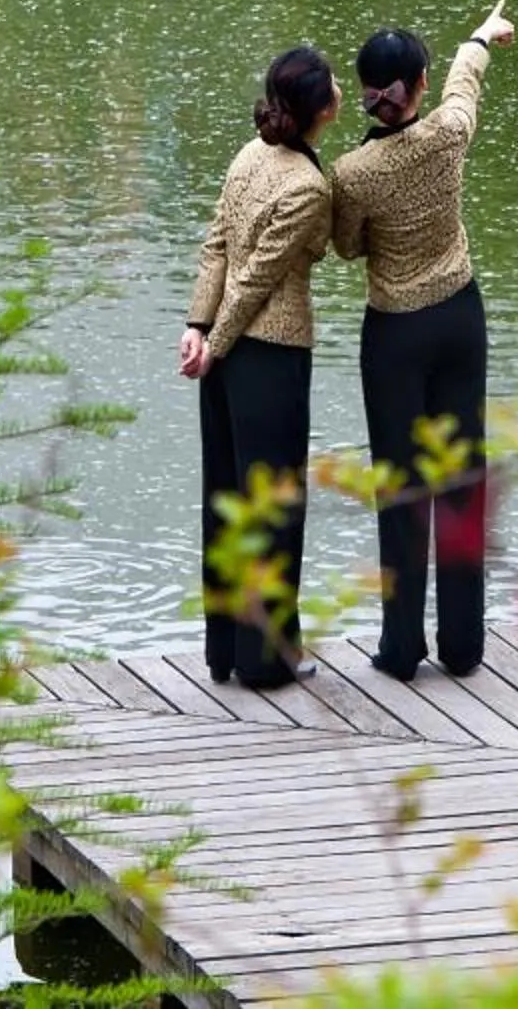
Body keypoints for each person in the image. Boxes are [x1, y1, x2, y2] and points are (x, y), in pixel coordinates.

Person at [331, 2, 515, 681]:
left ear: (366, 93)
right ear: (420, 86)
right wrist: (481, 37)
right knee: (463, 479)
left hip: (395, 334)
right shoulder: (449, 133)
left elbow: (347, 247)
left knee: (401, 485)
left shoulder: (351, 174)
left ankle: (401, 647)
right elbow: (467, 83)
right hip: (459, 319)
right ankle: (464, 645)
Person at [179, 43, 339, 688]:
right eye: (332, 85)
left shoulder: (250, 156)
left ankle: (227, 651)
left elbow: (215, 245)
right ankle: (268, 658)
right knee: (271, 508)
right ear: (318, 108)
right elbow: (254, 280)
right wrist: (212, 339)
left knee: (225, 500)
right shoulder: (307, 185)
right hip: (267, 357)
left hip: (222, 357)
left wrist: (196, 327)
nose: (340, 92)